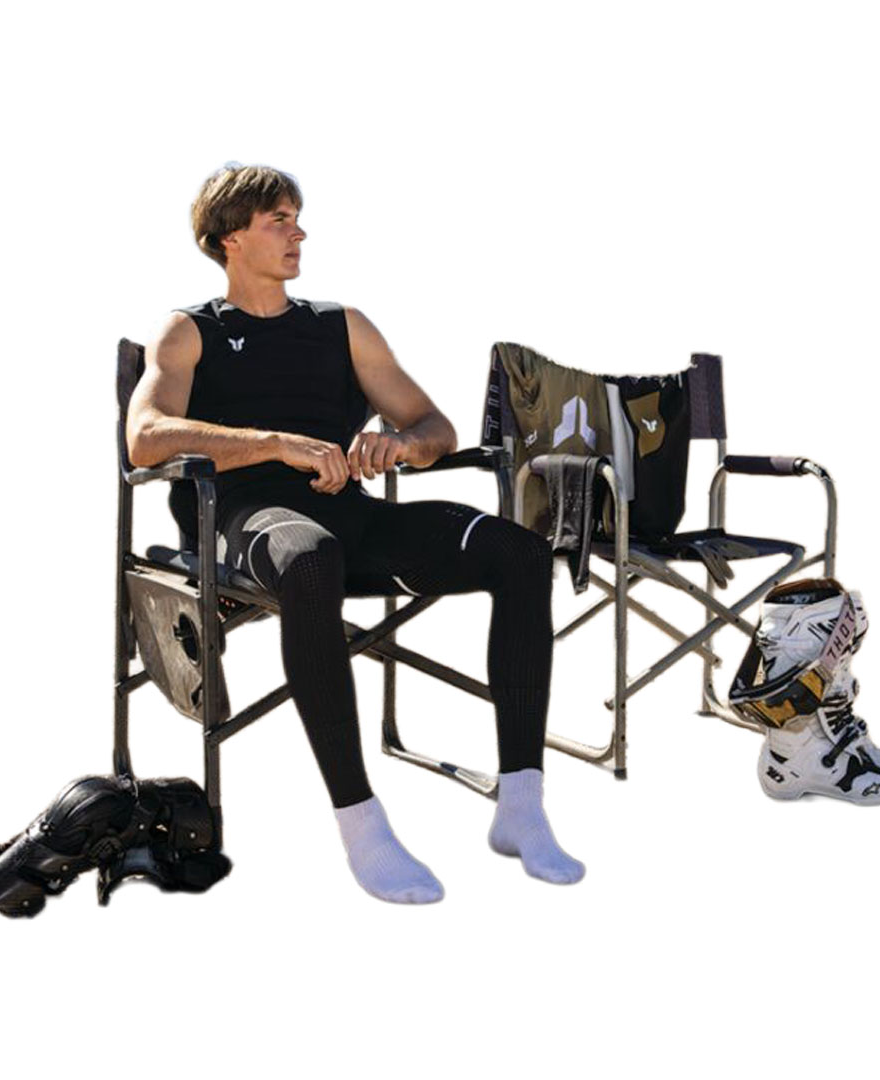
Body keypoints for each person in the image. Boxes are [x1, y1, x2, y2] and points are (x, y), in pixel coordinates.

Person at [126, 163, 585, 903]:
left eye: (297, 217)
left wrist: (400, 445)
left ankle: (522, 805)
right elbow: (144, 438)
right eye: (279, 220)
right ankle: (362, 825)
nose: (299, 233)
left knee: (521, 552)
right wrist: (274, 443)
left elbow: (435, 426)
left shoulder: (342, 325)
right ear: (229, 237)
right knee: (312, 560)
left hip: (350, 513)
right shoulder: (189, 331)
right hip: (247, 520)